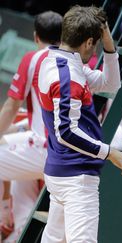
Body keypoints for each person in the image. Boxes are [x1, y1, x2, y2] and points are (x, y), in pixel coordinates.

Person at [37, 6, 122, 242]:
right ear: (89, 42)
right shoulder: (68, 78)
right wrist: (110, 153)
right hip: (76, 177)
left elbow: (111, 84)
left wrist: (110, 46)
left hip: (63, 171)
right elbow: (67, 133)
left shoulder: (62, 63)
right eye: (96, 44)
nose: (95, 49)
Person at [0, 11, 62, 241]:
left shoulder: (33, 59)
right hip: (64, 149)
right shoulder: (75, 60)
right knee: (18, 173)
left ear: (36, 37)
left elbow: (10, 107)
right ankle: (14, 228)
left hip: (44, 150)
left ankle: (4, 220)